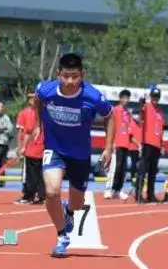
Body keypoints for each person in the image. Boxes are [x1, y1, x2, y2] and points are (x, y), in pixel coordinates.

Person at [32, 53, 113, 257]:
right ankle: (62, 236)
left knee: (77, 203)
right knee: (51, 192)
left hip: (80, 154)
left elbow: (110, 116)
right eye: (66, 76)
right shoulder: (45, 89)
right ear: (58, 74)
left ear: (82, 75)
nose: (70, 81)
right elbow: (37, 101)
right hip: (54, 148)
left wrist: (108, 148)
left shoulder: (93, 96)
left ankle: (68, 210)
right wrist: (38, 125)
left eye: (75, 76)